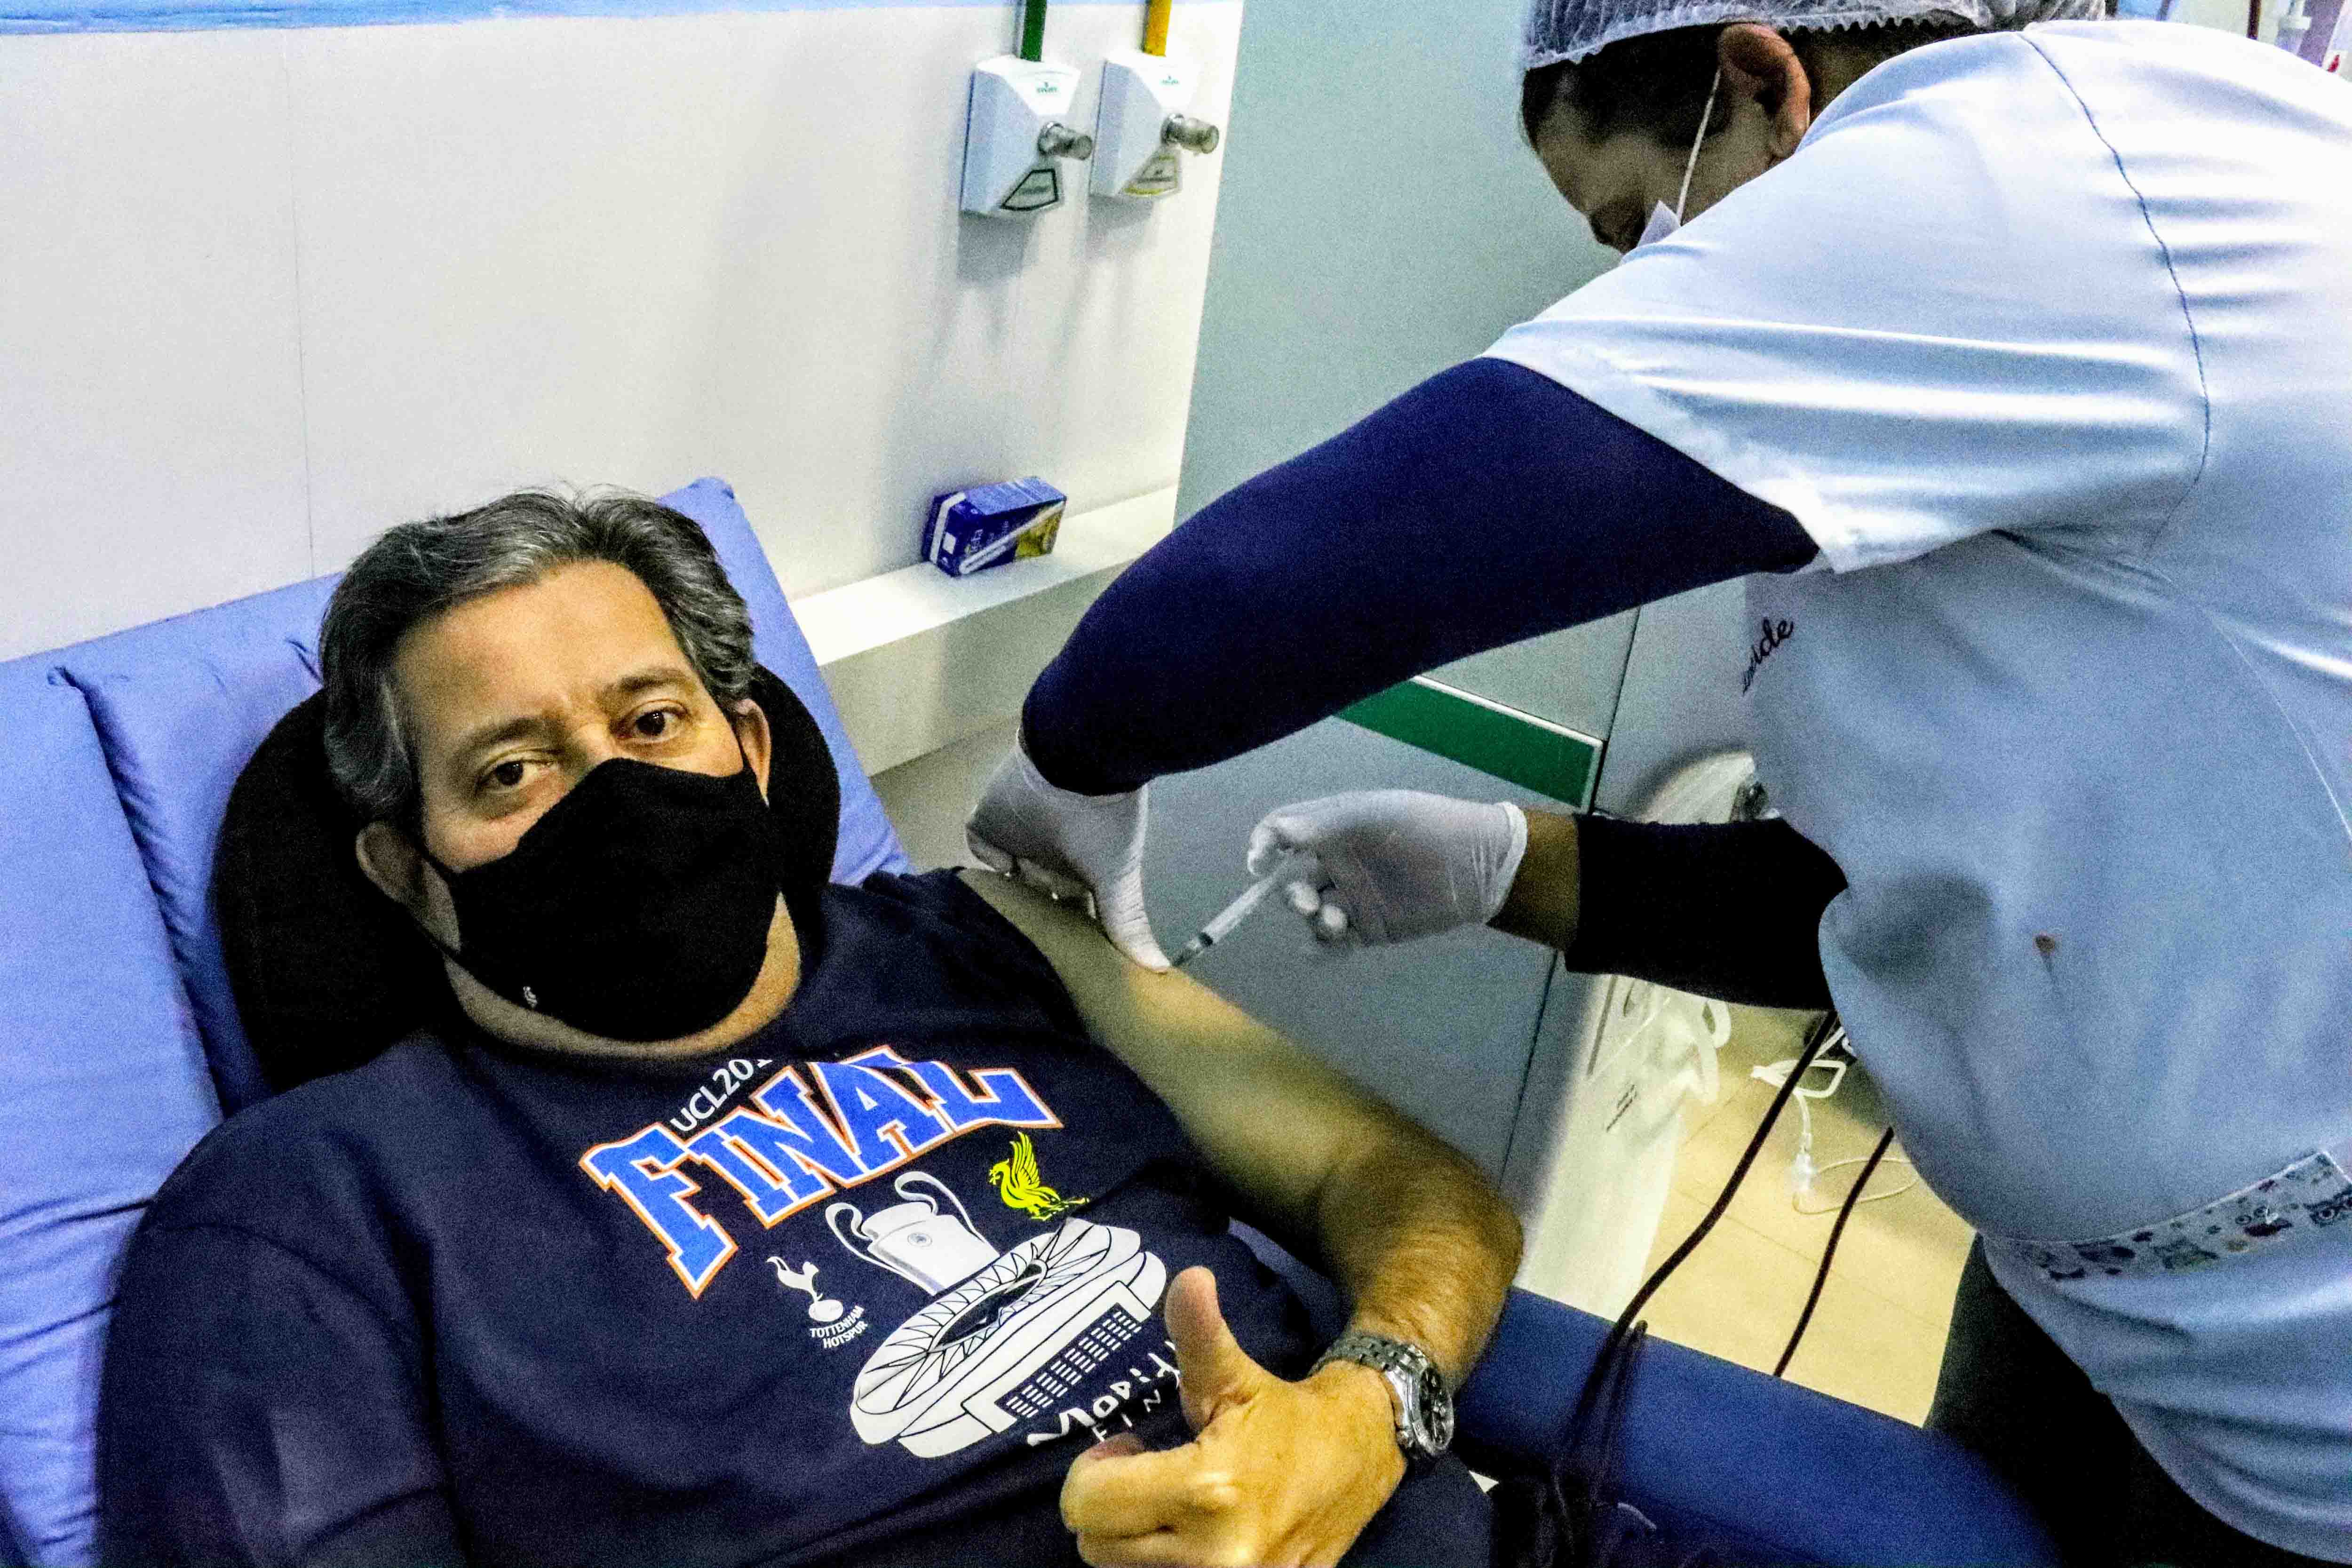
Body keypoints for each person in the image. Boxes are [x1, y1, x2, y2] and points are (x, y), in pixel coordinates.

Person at [965, 0, 2352, 1563]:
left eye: (1635, 224)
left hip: (2306, 1366)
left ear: (1763, 81)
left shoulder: (2034, 183)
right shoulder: (2075, 285)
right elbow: (1916, 896)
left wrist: (1075, 747)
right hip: (2114, 1298)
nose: (1643, 279)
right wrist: (1510, 863)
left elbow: (1313, 566)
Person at [94, 491, 1520, 1568]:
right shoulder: (308, 1210)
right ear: (410, 871)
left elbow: (1407, 1185)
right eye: (512, 769)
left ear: (754, 749)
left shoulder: (983, 937)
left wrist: (1366, 1408)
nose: (610, 792)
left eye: (653, 722)